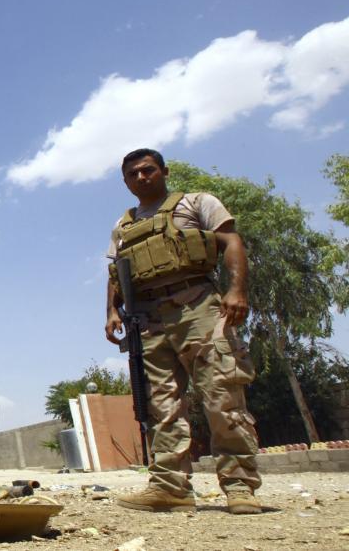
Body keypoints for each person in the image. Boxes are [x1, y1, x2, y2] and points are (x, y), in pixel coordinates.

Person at [104, 148, 262, 514]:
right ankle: (169, 488)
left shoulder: (196, 203)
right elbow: (117, 272)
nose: (141, 178)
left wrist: (237, 290)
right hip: (148, 320)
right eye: (133, 174)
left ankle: (239, 487)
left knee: (221, 397)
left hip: (199, 309)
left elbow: (231, 242)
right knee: (161, 408)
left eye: (148, 170)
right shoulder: (122, 226)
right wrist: (112, 310)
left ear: (164, 171)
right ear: (126, 182)